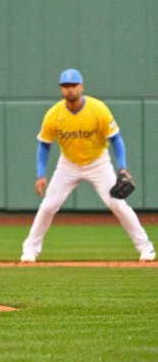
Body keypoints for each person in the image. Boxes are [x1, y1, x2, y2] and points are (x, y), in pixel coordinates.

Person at [19, 69, 154, 264]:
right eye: (65, 86)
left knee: (116, 203)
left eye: (73, 85)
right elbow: (44, 144)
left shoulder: (98, 109)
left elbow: (116, 139)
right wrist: (41, 174)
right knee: (49, 205)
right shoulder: (54, 114)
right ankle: (29, 251)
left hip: (98, 162)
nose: (70, 89)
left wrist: (122, 167)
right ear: (61, 89)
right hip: (68, 164)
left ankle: (145, 247)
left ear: (81, 87)